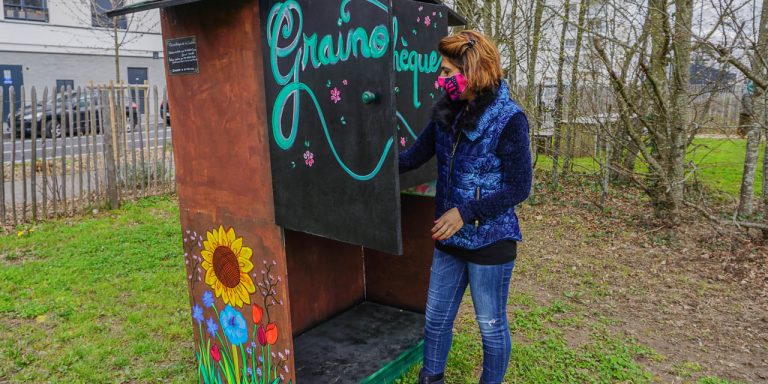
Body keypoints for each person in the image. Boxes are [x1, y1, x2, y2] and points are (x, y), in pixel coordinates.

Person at [398, 30, 532, 384]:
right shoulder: (446, 114)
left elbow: (519, 187)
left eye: (446, 72)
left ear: (472, 72)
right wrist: (362, 166)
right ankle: (431, 379)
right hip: (449, 241)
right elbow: (412, 157)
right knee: (435, 319)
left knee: (490, 327)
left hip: (491, 241)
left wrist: (466, 212)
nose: (439, 79)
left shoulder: (509, 120)